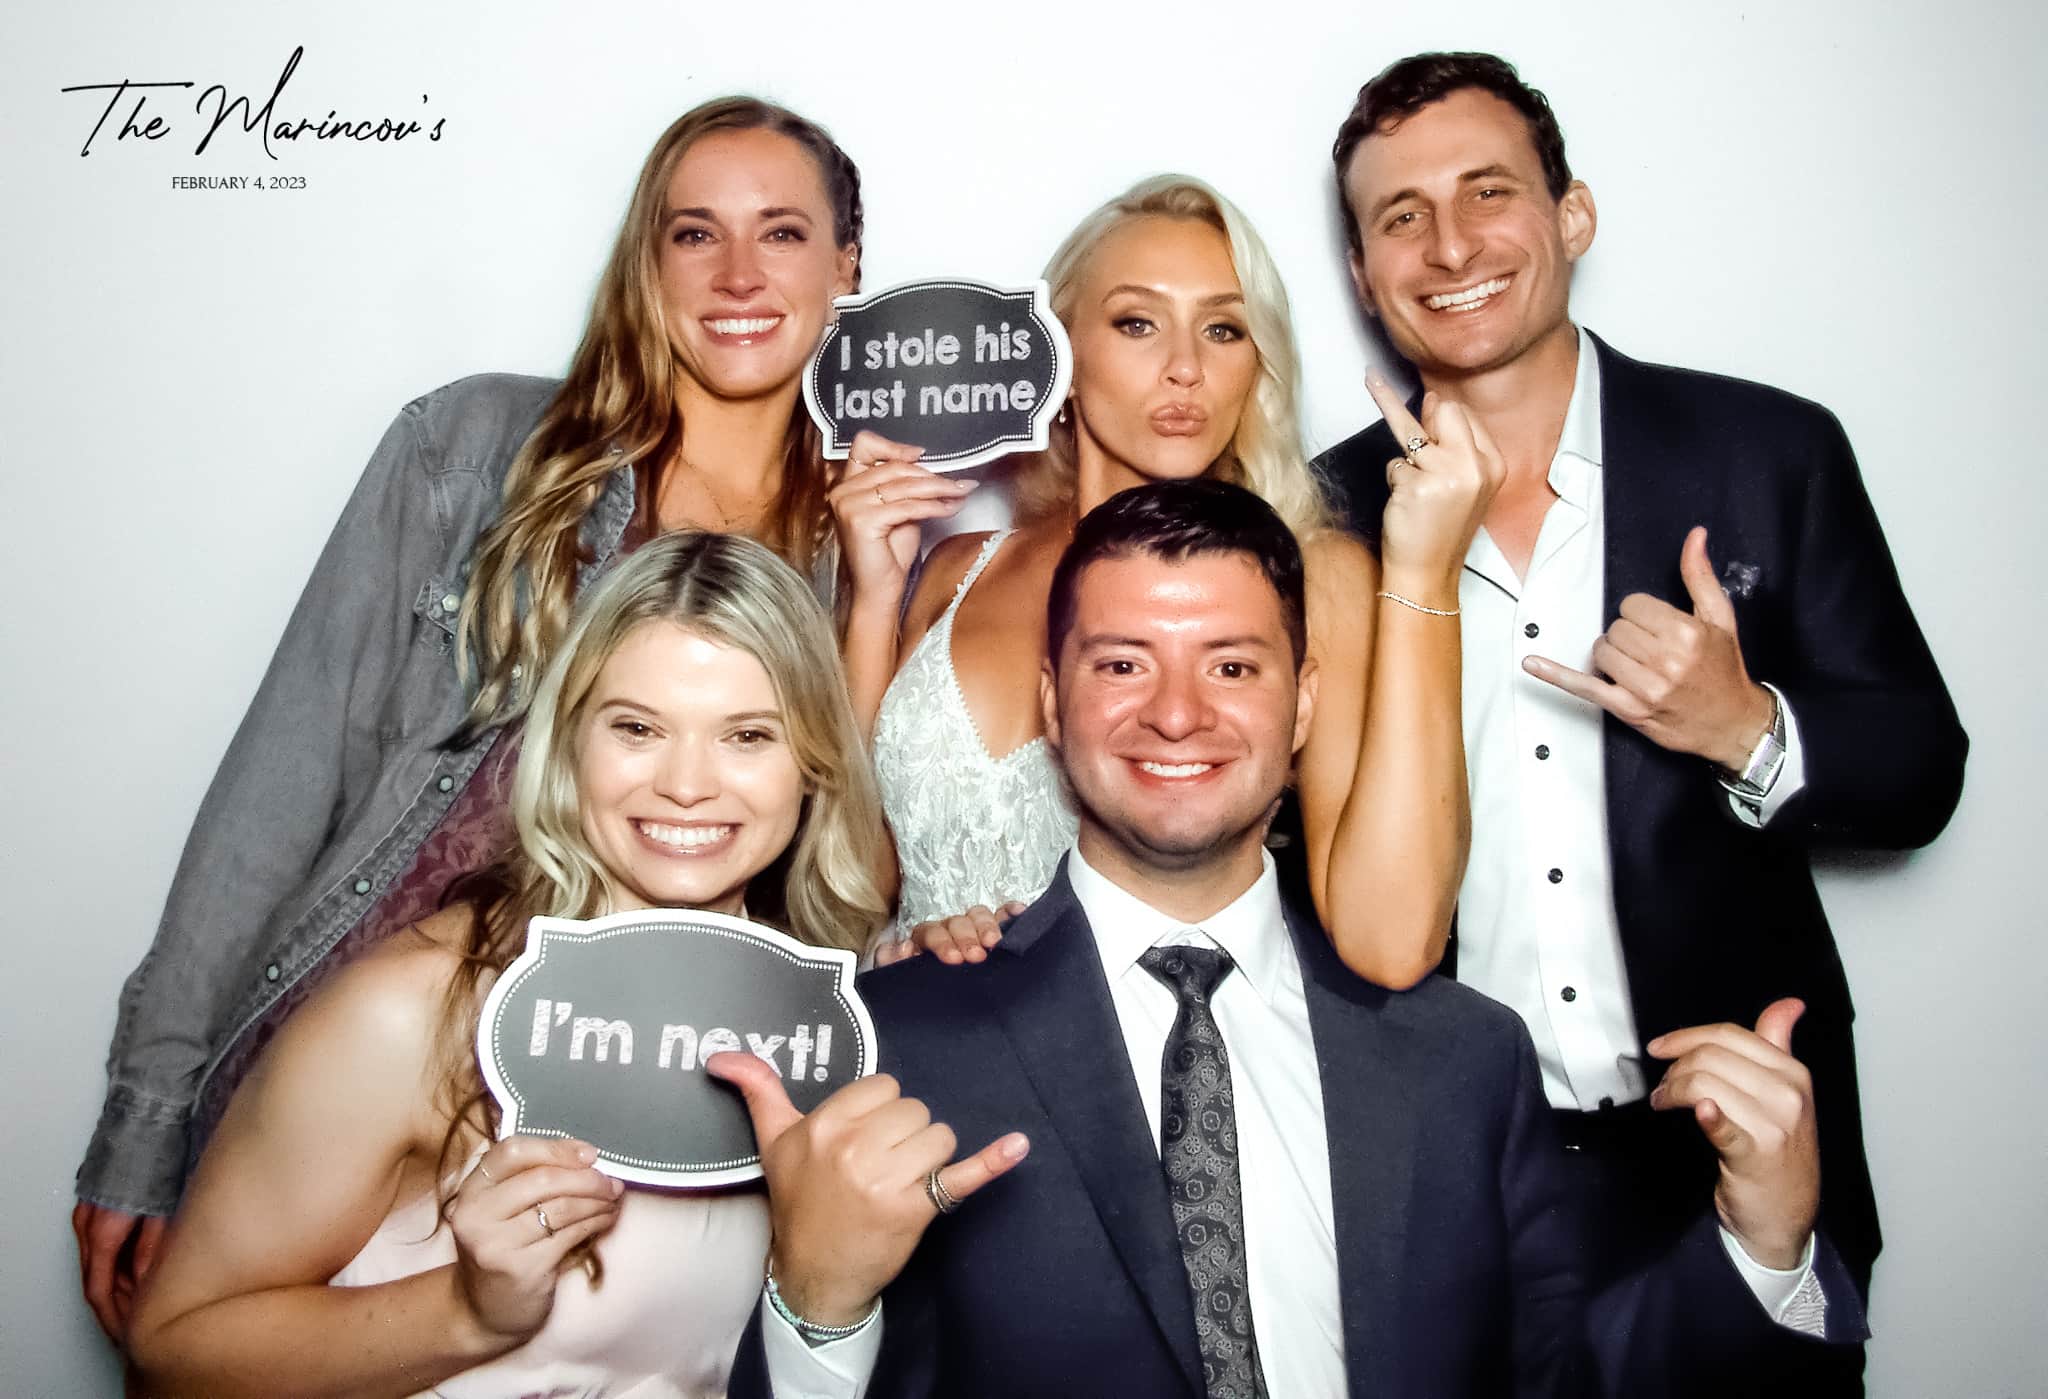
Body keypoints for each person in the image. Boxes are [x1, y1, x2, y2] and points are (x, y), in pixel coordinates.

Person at [711, 480, 1866, 1398]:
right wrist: (818, 1309)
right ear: (1054, 703)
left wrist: (1760, 1242)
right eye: (1121, 664)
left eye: (1230, 666)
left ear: (1303, 702)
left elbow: (1562, 1379)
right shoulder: (899, 1045)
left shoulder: (1465, 1062)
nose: (1176, 713)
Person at [75, 95, 871, 1343]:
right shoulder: (482, 448)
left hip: (625, 1106)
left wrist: (879, 583)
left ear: (846, 265)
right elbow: (282, 782)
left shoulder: (854, 545)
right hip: (363, 1081)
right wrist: (149, 1116)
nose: (735, 275)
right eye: (692, 233)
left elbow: (833, 865)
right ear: (645, 258)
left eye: (780, 232)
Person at [1315, 51, 1968, 1336]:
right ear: (1360, 272)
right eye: (1400, 216)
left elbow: (1919, 772)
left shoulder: (1765, 451)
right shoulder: (1317, 514)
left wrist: (1747, 729)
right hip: (1437, 1177)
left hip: (1732, 1155)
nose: (1448, 246)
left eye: (1487, 192)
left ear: (1571, 215)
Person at [126, 531, 894, 1397]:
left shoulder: (822, 1026)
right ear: (570, 742)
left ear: (813, 762)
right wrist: (466, 1311)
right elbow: (169, 1353)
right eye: (637, 728)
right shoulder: (422, 1008)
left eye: (748, 735)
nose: (687, 783)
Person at [831, 175, 1492, 969]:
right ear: (1058, 353)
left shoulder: (1313, 575)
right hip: (917, 1033)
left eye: (1223, 329)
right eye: (1138, 323)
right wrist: (872, 601)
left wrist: (1426, 577)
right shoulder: (957, 566)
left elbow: (1390, 943)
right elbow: (853, 889)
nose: (1185, 368)